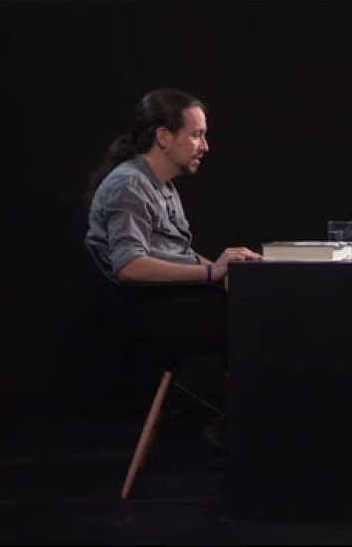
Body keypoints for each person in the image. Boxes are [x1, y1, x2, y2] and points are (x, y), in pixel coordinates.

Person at [85, 88, 261, 449]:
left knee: (255, 301)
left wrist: (231, 272)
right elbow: (130, 266)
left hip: (174, 301)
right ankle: (242, 427)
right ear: (164, 137)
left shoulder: (161, 186)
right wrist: (212, 274)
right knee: (252, 317)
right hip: (150, 312)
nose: (205, 146)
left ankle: (243, 423)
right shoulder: (129, 184)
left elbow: (179, 254)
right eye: (196, 135)